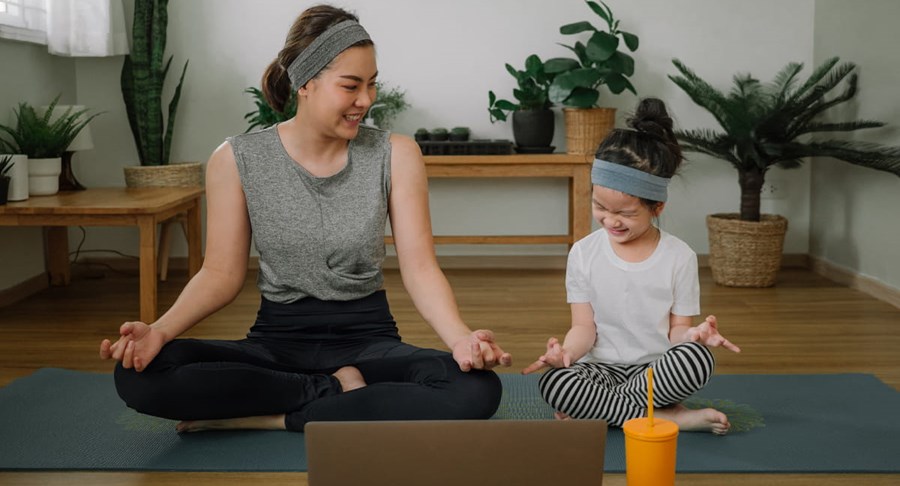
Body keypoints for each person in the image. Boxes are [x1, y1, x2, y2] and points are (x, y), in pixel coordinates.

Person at [100, 4, 511, 433]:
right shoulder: (236, 159)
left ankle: (276, 417)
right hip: (277, 343)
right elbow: (221, 272)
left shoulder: (396, 154)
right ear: (306, 84)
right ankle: (331, 393)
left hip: (369, 341)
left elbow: (421, 269)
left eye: (372, 85)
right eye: (351, 85)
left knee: (477, 390)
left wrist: (460, 338)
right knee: (138, 376)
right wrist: (161, 331)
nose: (366, 100)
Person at [523, 98, 740, 435]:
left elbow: (676, 332)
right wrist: (564, 354)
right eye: (600, 207)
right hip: (600, 371)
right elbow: (584, 328)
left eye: (625, 214)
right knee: (556, 383)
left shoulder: (679, 256)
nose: (610, 221)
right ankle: (665, 417)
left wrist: (694, 337)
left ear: (657, 206)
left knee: (699, 360)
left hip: (657, 372)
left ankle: (605, 410)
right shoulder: (582, 253)